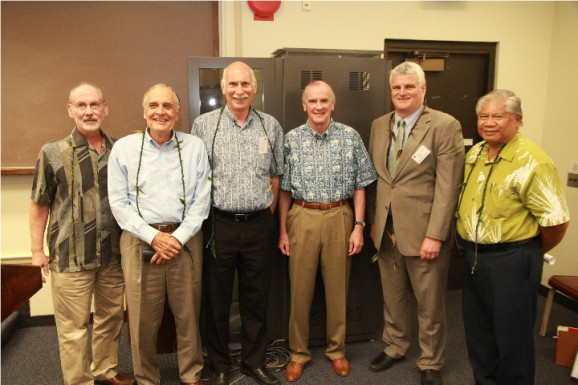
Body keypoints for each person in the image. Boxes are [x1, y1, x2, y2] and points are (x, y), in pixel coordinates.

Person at [456, 89, 570, 385]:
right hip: (475, 257)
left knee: (512, 339)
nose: (489, 122)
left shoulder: (533, 161)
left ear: (517, 120)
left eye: (498, 116)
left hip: (513, 260)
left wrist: (527, 251)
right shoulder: (476, 153)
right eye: (483, 116)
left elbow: (556, 223)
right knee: (479, 334)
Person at [366, 61, 465, 385]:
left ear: (423, 89)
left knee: (429, 303)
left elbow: (448, 185)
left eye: (410, 86)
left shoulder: (444, 125)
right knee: (392, 297)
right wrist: (373, 221)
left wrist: (435, 234)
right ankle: (395, 346)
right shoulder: (380, 125)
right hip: (387, 230)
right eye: (397, 87)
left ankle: (430, 362)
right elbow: (382, 179)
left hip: (425, 233)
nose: (403, 92)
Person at [29, 83, 135, 385]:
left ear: (105, 108)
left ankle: (105, 371)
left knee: (111, 319)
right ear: (70, 110)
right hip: (69, 256)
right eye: (81, 105)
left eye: (94, 105)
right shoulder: (52, 152)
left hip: (113, 255)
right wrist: (37, 252)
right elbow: (39, 204)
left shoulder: (121, 150)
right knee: (73, 327)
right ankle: (80, 381)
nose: (89, 111)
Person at [108, 84, 211, 385]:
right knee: (141, 320)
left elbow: (201, 201)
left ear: (178, 113)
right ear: (144, 112)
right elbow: (119, 204)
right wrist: (153, 237)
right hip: (139, 240)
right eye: (154, 105)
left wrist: (176, 239)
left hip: (185, 242)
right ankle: (146, 379)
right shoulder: (125, 149)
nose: (160, 112)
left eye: (167, 106)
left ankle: (191, 375)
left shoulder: (194, 147)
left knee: (188, 315)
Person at [191, 61, 284, 385]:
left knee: (256, 297)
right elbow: (196, 175)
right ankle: (217, 364)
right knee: (216, 299)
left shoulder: (270, 125)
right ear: (224, 88)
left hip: (259, 224)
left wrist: (268, 212)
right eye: (233, 84)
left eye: (246, 84)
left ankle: (253, 361)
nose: (240, 90)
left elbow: (276, 174)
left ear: (254, 88)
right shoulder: (204, 125)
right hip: (219, 225)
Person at [278, 80, 377, 382]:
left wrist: (358, 227)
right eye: (312, 101)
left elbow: (361, 186)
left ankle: (337, 351)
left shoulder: (350, 137)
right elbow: (283, 190)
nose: (318, 106)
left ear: (333, 104)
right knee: (300, 291)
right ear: (303, 105)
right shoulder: (291, 139)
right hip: (302, 216)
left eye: (324, 101)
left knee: (337, 290)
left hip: (339, 216)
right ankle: (298, 353)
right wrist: (282, 230)